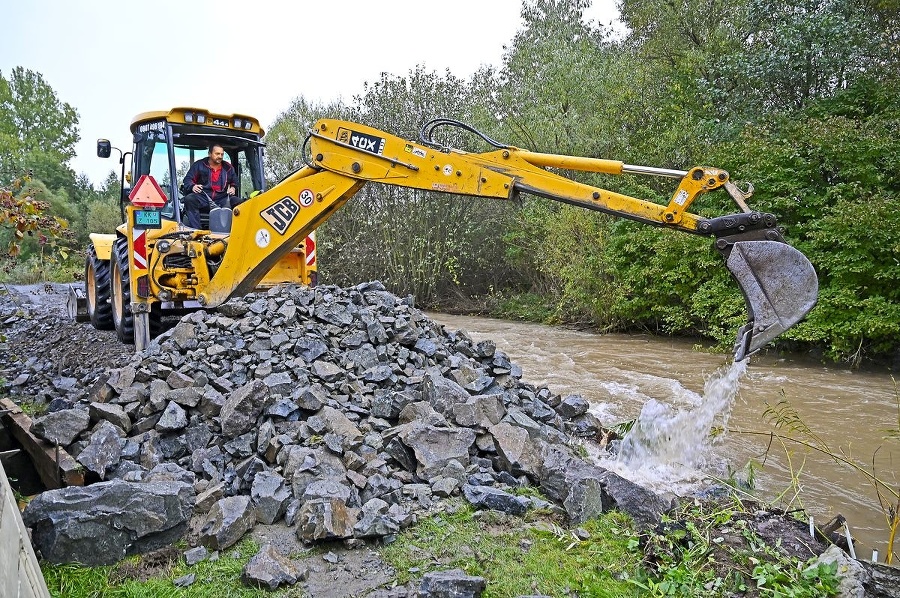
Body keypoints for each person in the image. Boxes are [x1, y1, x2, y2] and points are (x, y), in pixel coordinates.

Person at [180, 144, 238, 229]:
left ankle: (236, 231)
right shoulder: (199, 165)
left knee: (240, 202)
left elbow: (235, 182)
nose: (220, 156)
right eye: (217, 154)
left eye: (222, 154)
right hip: (203, 198)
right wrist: (193, 186)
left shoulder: (228, 168)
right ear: (209, 154)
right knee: (189, 199)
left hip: (222, 199)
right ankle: (197, 230)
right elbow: (188, 180)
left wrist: (233, 188)